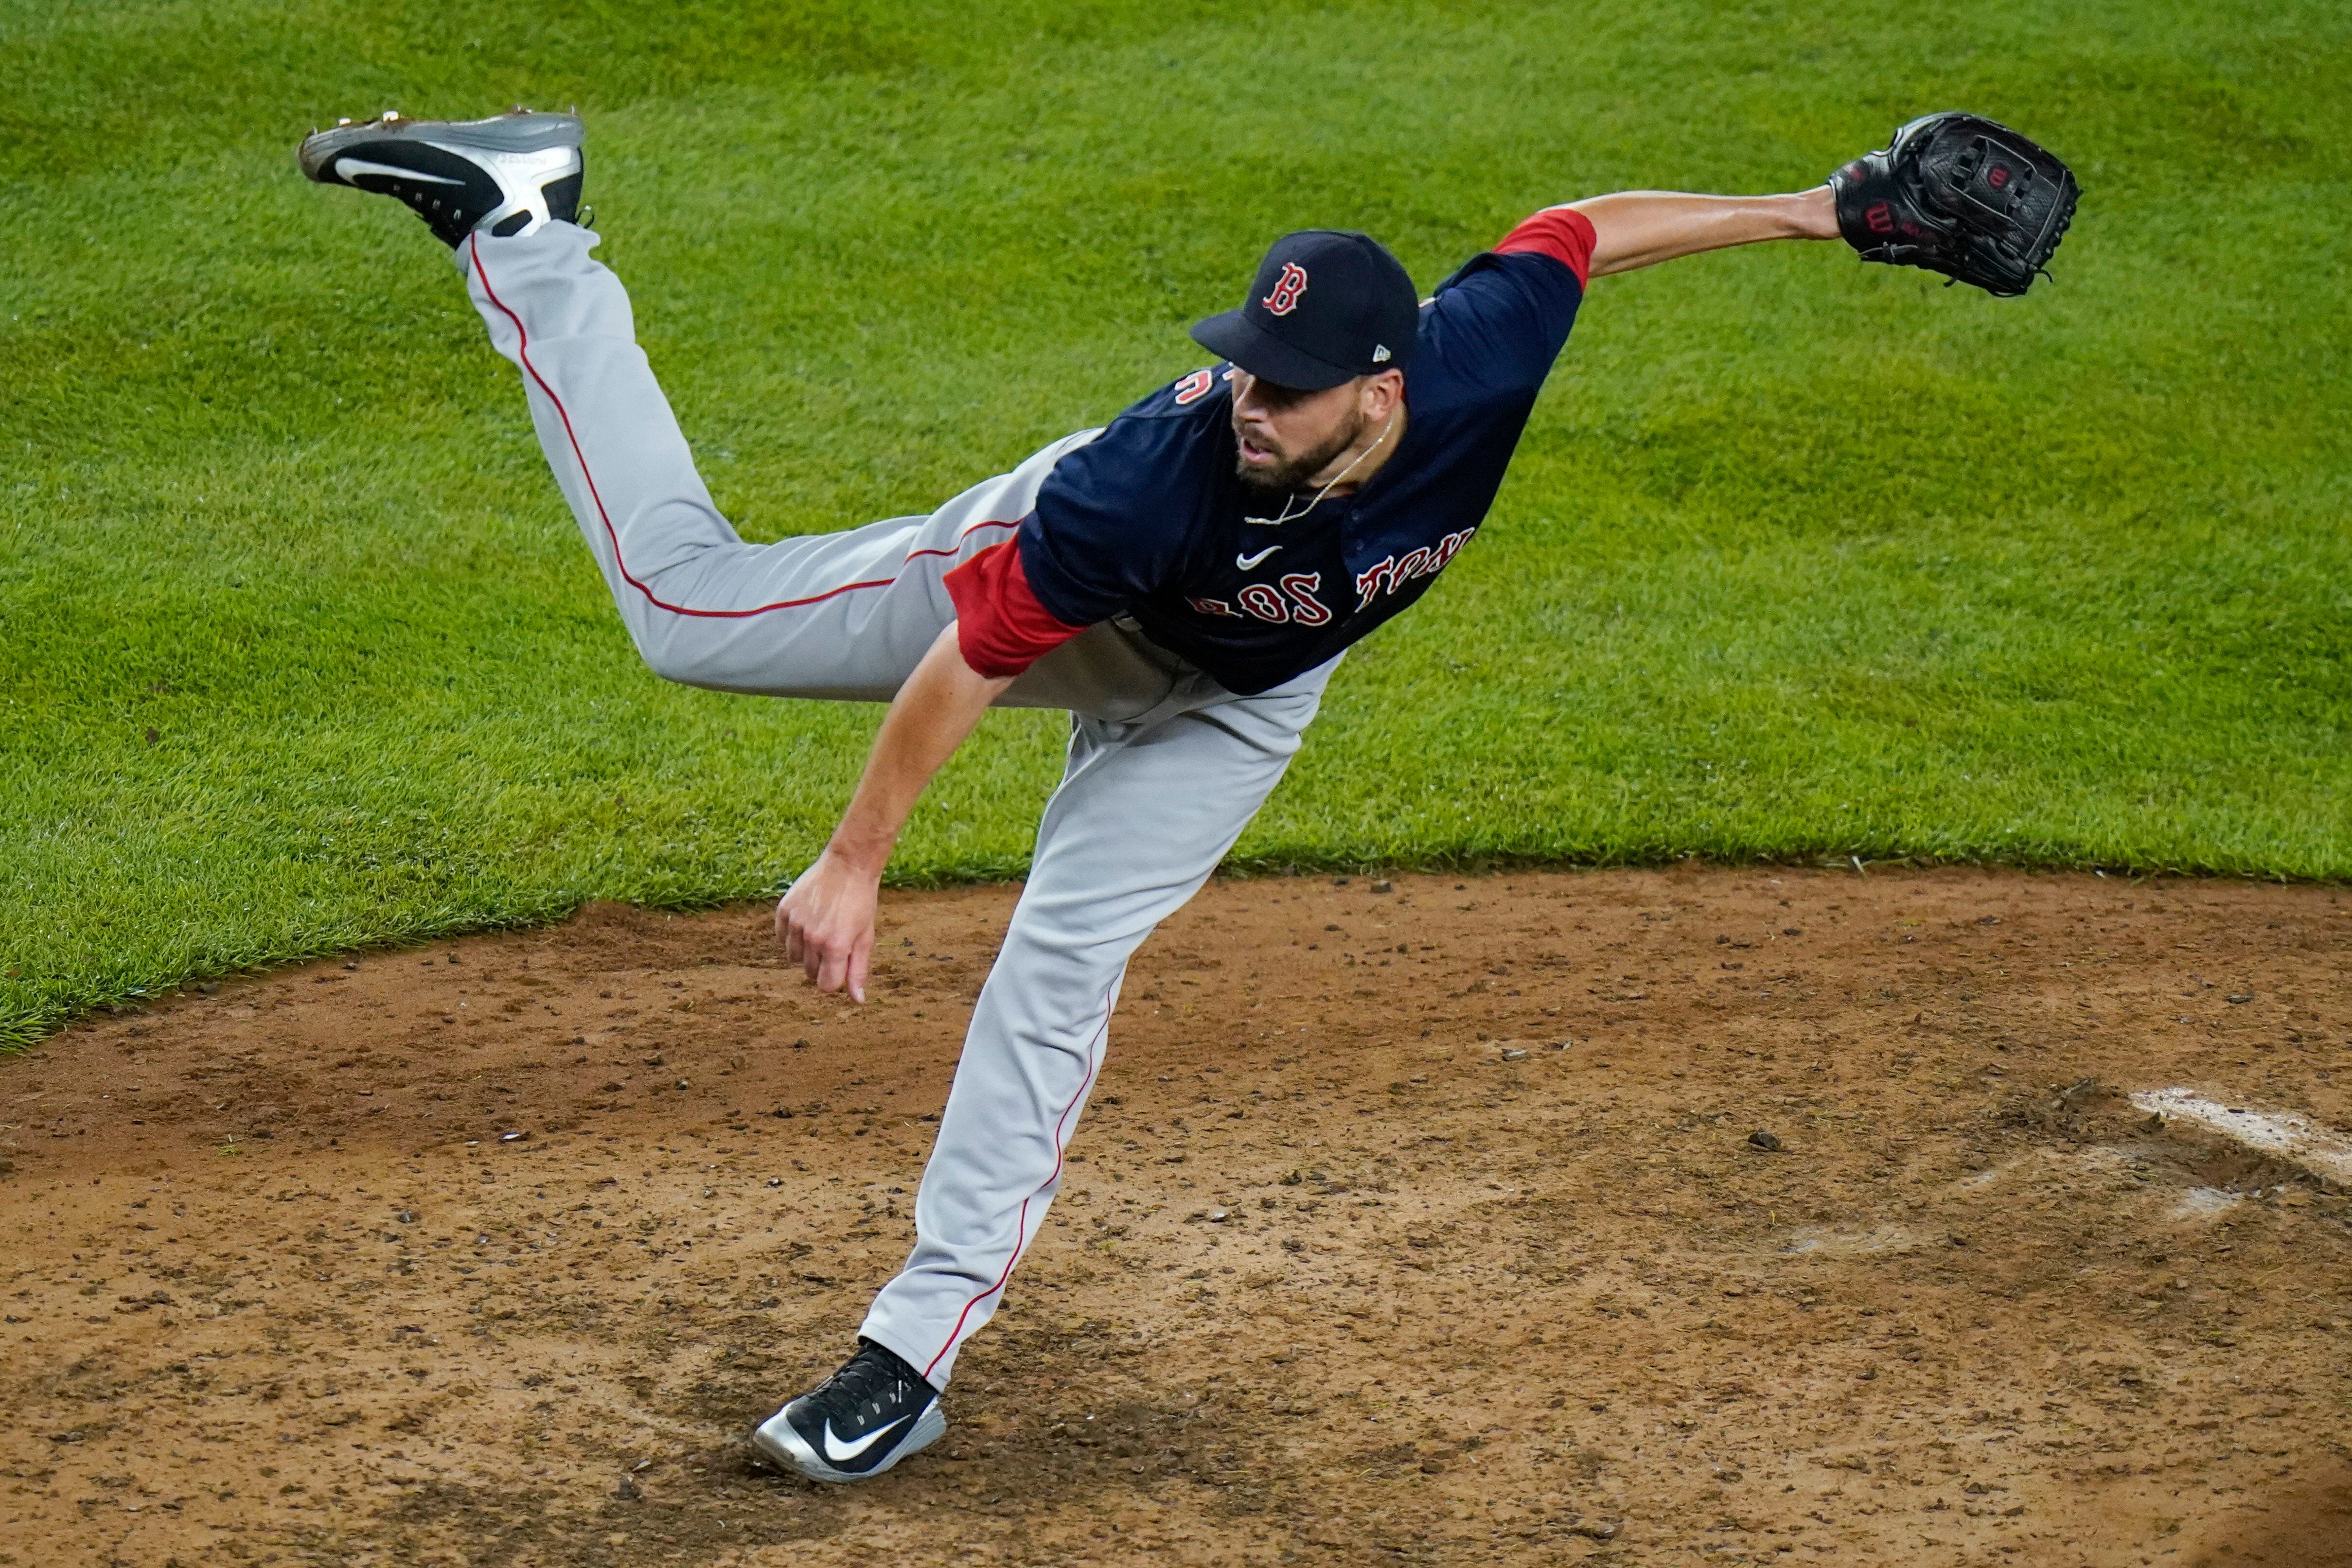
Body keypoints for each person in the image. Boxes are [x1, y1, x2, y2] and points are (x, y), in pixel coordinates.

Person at [296, 105, 2058, 1484]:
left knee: (1059, 967)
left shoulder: (1480, 358)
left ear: (1387, 384)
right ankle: (527, 225)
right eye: (1240, 362)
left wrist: (1824, 214)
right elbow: (969, 664)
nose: (1250, 400)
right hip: (1050, 601)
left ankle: (904, 1362)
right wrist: (854, 862)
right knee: (686, 610)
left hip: (1243, 698)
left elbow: (1578, 237)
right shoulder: (1152, 473)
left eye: (1287, 388)